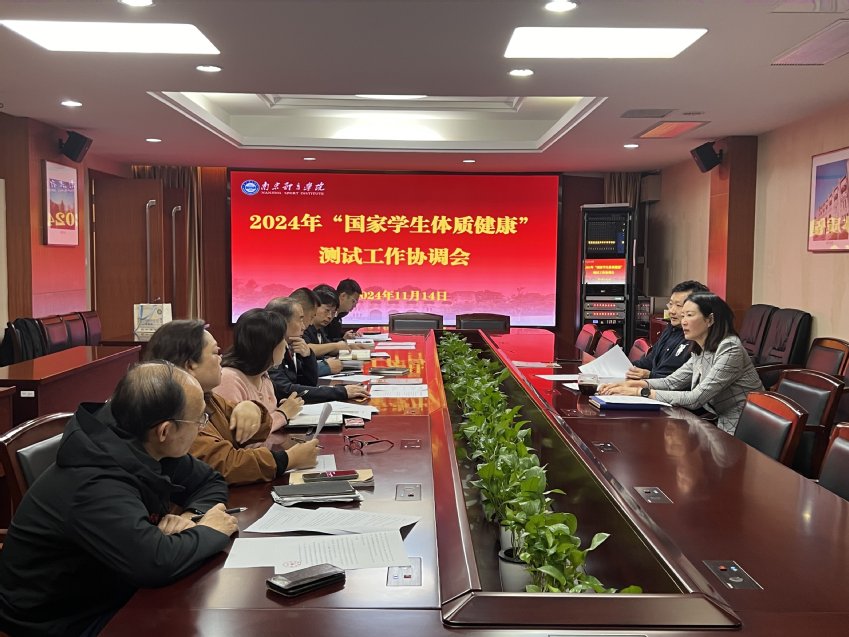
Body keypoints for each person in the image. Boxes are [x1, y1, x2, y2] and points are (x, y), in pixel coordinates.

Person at [0, 362, 238, 637]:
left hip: (111, 587)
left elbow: (210, 481)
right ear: (165, 431)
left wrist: (191, 517)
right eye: (199, 421)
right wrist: (210, 529)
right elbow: (154, 563)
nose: (200, 427)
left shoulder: (143, 439)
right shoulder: (94, 482)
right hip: (60, 619)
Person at [146, 320, 318, 485]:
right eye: (215, 353)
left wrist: (252, 408)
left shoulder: (208, 397)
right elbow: (223, 464)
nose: (221, 359)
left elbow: (254, 430)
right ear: (190, 365)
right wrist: (288, 459)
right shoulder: (177, 409)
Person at [599, 292, 763, 434]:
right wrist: (632, 384)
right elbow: (671, 382)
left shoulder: (730, 348)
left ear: (710, 319)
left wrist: (639, 392)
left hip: (745, 427)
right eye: (683, 316)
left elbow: (695, 398)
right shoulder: (701, 348)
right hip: (718, 422)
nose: (683, 321)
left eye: (689, 315)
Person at [266, 296, 369, 404]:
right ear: (282, 322)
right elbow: (285, 390)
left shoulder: (291, 346)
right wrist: (341, 392)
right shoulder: (268, 349)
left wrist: (308, 356)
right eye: (300, 320)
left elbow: (308, 383)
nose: (304, 326)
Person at [217, 308, 305, 432]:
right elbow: (240, 434)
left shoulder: (263, 375)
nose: (286, 345)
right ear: (268, 344)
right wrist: (282, 414)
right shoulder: (229, 378)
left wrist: (280, 408)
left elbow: (264, 419)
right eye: (282, 339)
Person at [627, 280, 709, 379]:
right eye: (670, 304)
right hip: (653, 385)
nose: (671, 311)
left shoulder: (699, 340)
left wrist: (649, 376)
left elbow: (680, 382)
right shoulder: (671, 328)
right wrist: (627, 368)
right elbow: (650, 360)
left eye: (679, 305)